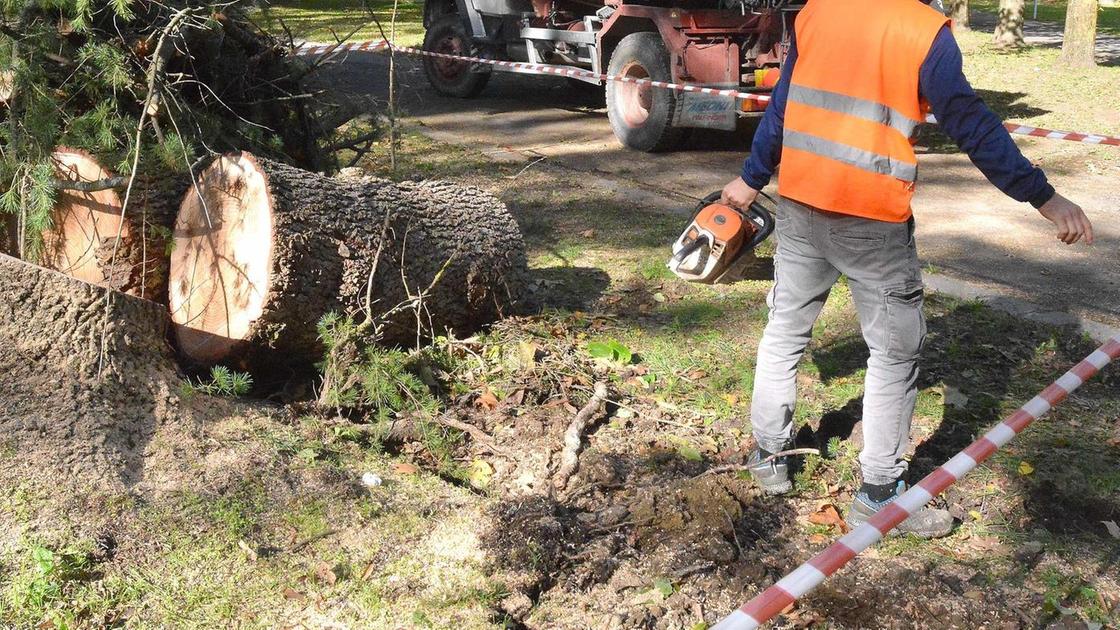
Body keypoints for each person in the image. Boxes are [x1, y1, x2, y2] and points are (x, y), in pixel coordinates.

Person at [721, 0, 1094, 539]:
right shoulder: (924, 31)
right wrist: (1042, 197)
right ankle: (878, 496)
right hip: (873, 223)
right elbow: (971, 124)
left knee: (785, 332)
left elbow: (783, 104)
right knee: (895, 353)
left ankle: (767, 456)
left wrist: (753, 176)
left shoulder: (817, 11)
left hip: (802, 202)